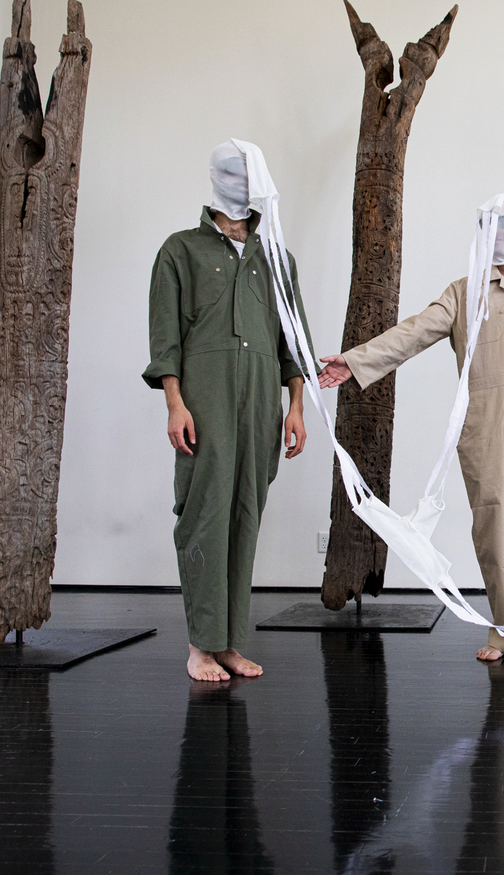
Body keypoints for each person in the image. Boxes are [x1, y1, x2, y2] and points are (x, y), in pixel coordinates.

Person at [317, 194, 504, 661]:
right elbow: (413, 332)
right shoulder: (464, 292)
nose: (498, 230)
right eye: (489, 223)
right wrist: (355, 361)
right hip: (485, 425)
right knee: (493, 526)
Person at [143, 141, 317, 682]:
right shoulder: (180, 250)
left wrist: (295, 407)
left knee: (245, 514)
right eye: (236, 175)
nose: (246, 185)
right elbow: (165, 337)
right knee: (204, 514)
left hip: (262, 401)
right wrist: (175, 404)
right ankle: (201, 645)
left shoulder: (278, 259)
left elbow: (293, 342)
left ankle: (229, 643)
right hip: (205, 399)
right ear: (217, 179)